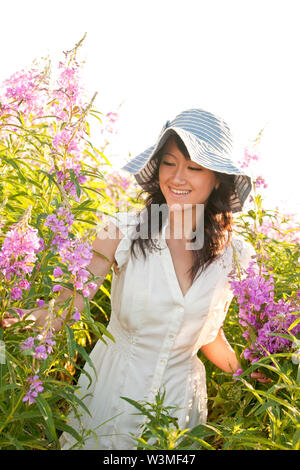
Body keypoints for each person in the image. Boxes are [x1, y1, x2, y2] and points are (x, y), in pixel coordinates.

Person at [3, 108, 269, 449]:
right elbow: (72, 304)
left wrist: (247, 370)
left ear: (217, 178)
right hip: (112, 392)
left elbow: (208, 335)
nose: (177, 178)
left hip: (179, 407)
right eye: (169, 163)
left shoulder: (234, 255)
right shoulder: (120, 231)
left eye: (194, 167)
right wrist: (16, 320)